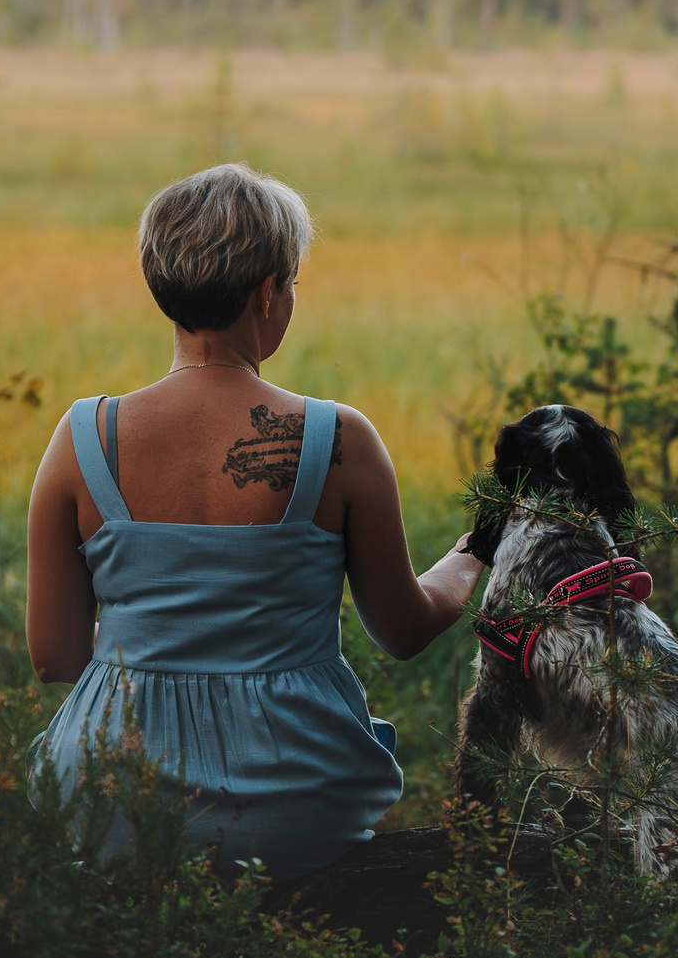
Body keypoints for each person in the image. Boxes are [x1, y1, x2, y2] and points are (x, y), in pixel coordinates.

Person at [25, 162, 485, 880]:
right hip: (298, 805)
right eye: (294, 280)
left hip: (116, 802)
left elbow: (54, 658)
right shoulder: (337, 439)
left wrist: (153, 647)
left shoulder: (83, 439)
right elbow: (403, 628)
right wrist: (470, 556)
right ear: (268, 292)